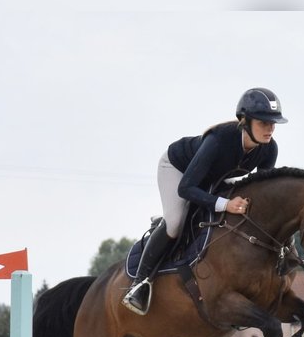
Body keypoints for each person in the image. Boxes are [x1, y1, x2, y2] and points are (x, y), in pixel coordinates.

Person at [121, 87, 287, 315]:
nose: (270, 129)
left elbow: (259, 190)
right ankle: (139, 284)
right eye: (264, 123)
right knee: (177, 222)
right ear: (245, 121)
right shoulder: (219, 140)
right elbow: (186, 187)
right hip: (178, 170)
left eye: (273, 123)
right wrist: (225, 204)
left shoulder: (269, 149)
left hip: (214, 178)